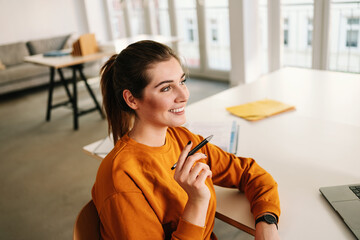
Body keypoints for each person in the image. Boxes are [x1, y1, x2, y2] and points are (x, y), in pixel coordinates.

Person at [92, 40, 281, 240]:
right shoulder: (121, 179)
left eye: (182, 81)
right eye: (166, 88)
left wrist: (266, 224)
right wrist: (197, 202)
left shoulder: (182, 139)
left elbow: (250, 173)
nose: (184, 95)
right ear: (132, 99)